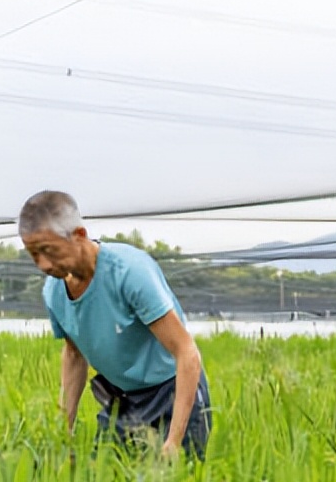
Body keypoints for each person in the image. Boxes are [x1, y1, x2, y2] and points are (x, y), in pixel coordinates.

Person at [17, 190, 213, 460]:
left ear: (79, 235)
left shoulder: (129, 273)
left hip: (172, 391)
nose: (43, 264)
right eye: (33, 255)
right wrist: (65, 431)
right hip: (122, 398)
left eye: (49, 251)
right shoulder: (54, 292)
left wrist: (174, 441)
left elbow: (186, 353)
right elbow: (74, 355)